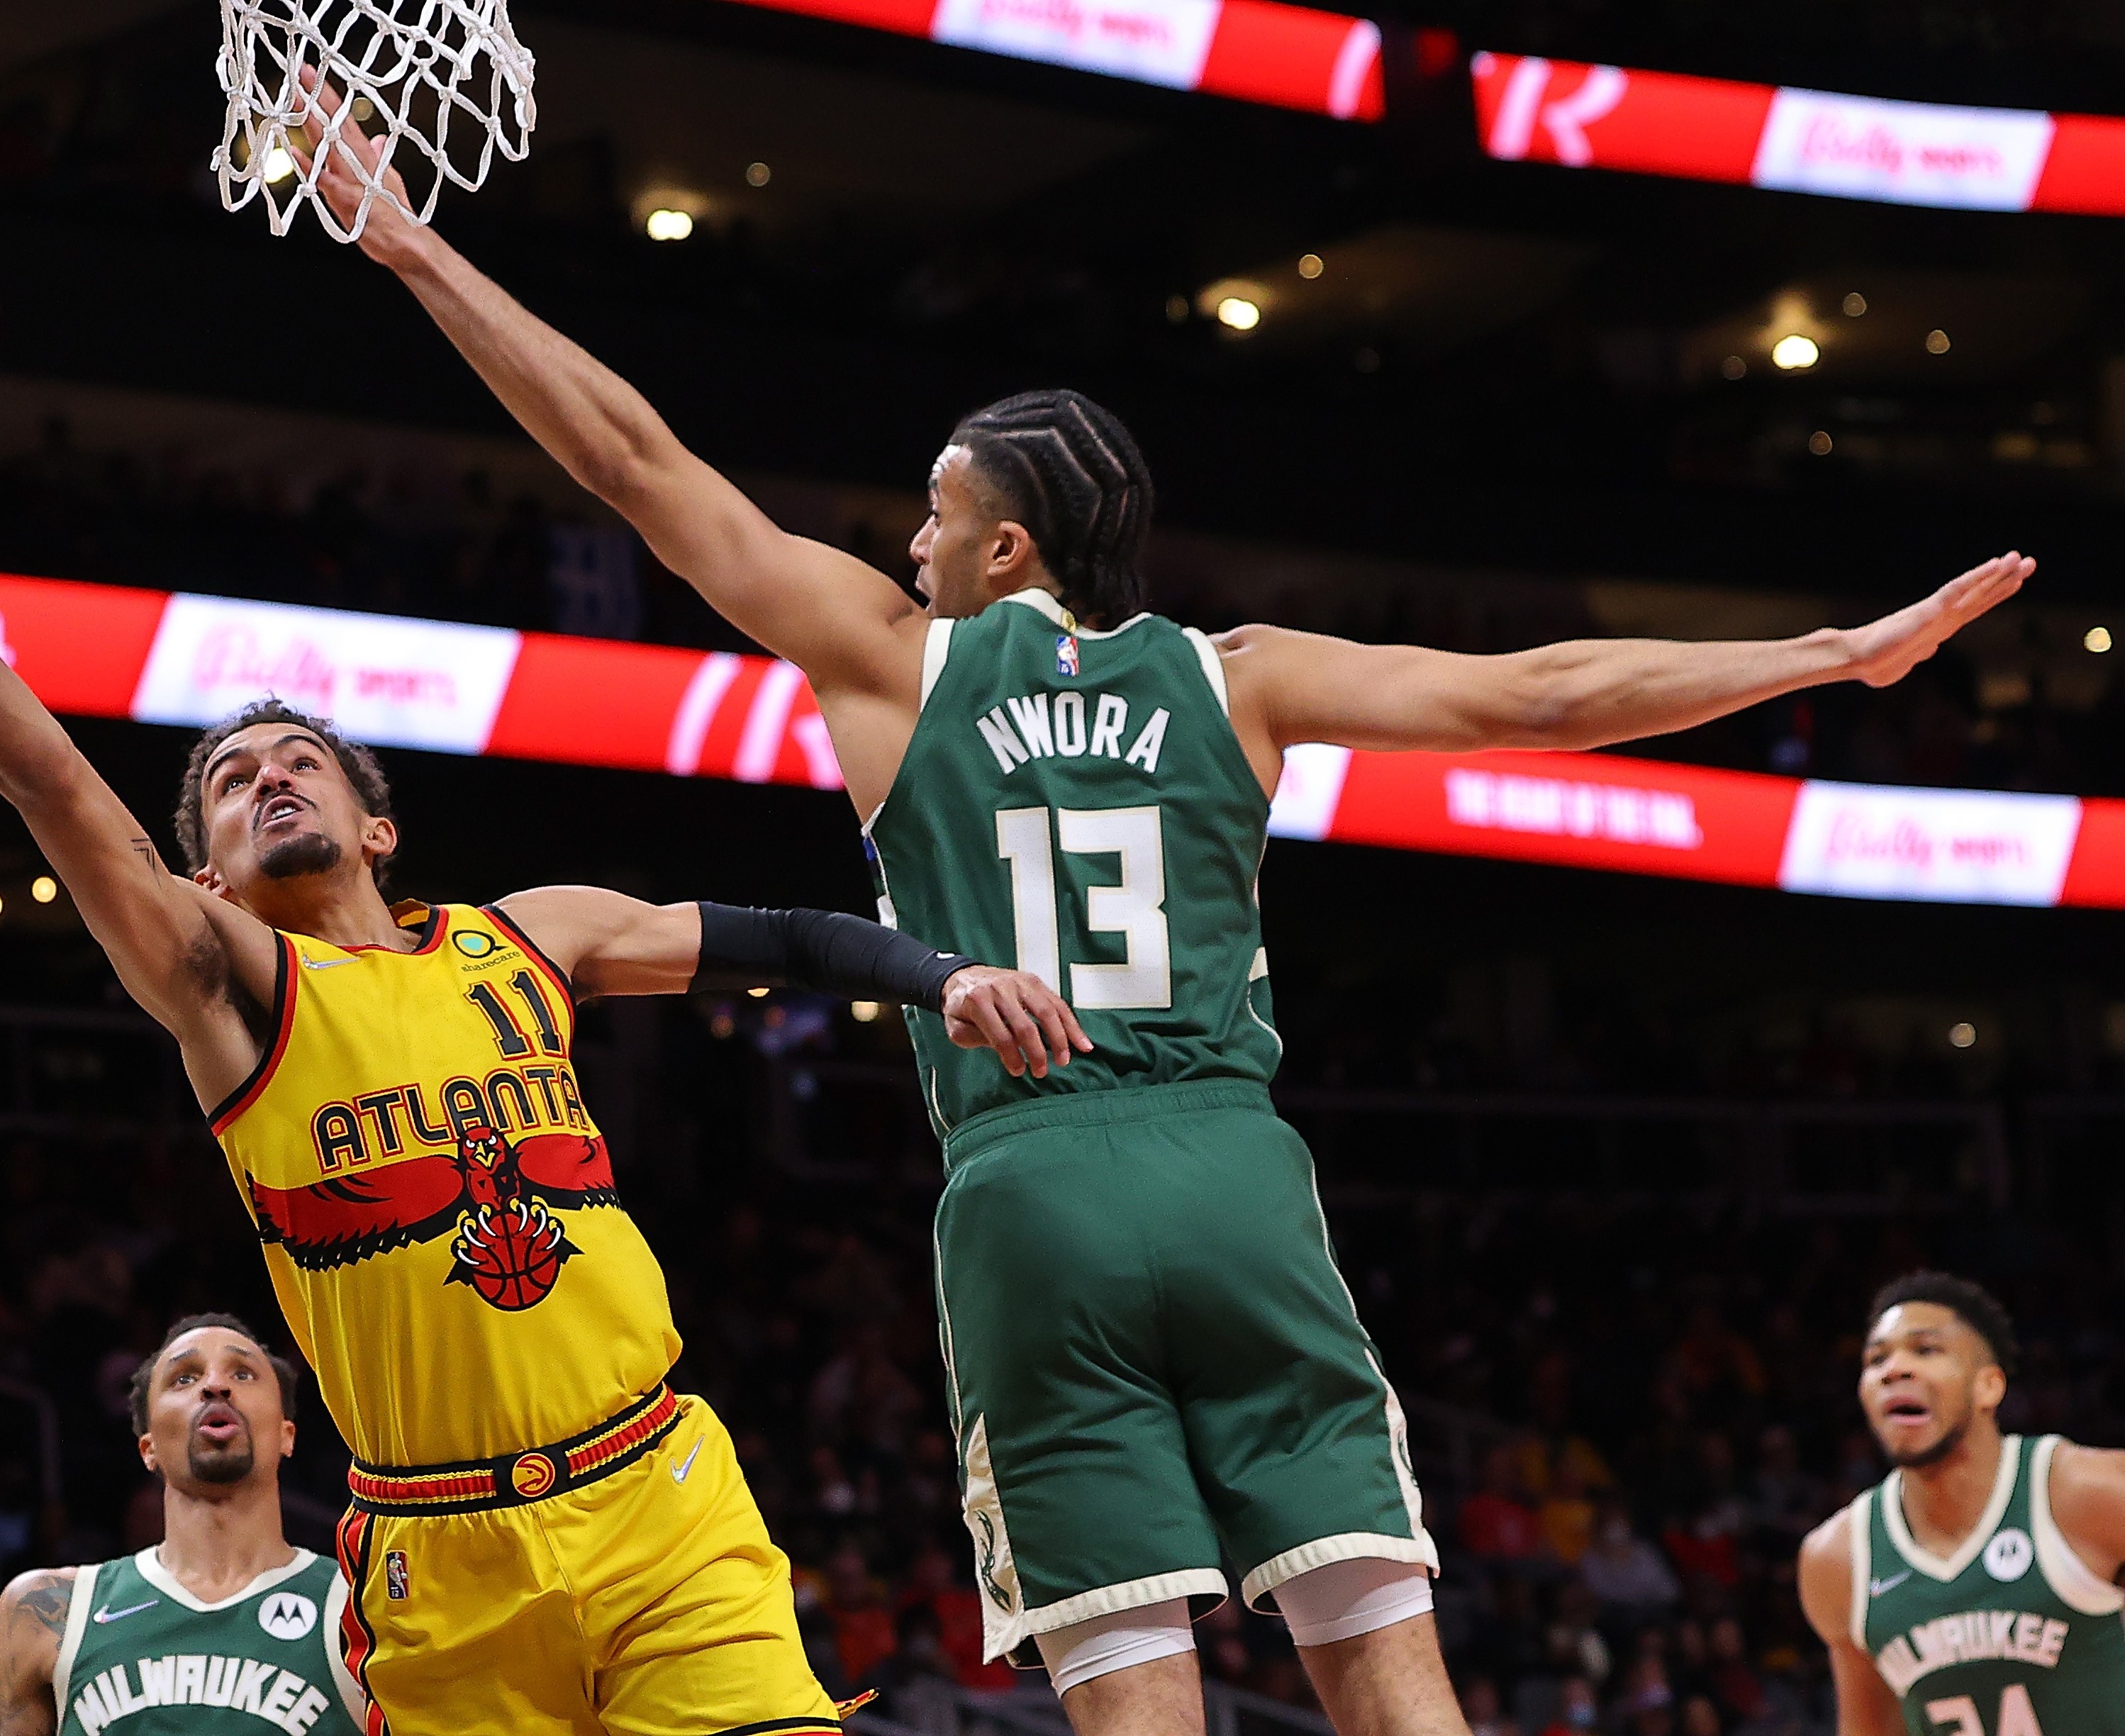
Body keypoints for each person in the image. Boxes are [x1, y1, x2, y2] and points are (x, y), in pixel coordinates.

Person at [284, 78, 2034, 1736]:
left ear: (1008, 555)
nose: (907, 543)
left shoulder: (897, 669)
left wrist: (410, 243)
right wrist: (1833, 652)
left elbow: (635, 463)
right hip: (1233, 1172)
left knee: (1134, 1697)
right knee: (1397, 1679)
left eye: (935, 515)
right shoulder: (1242, 678)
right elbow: (1547, 692)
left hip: (1033, 1188)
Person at [0, 365, 1083, 1736]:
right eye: (230, 781)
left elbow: (786, 937)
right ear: (203, 876)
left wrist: (942, 972)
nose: (268, 774)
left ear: (379, 829)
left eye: (299, 760)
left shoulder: (528, 937)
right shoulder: (231, 989)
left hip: (656, 1496)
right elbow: (46, 776)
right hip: (435, 1556)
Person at [0, 1315, 362, 1735]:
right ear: (149, 1448)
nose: (215, 1386)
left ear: (286, 1434)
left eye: (243, 1373)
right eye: (184, 1378)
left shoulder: (364, 1608)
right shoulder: (48, 1611)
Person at [1797, 1272, 2125, 1736]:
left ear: (1987, 1387)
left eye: (1925, 1349)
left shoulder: (2089, 1493)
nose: (1893, 1370)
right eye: (1876, 1359)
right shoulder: (1836, 1559)